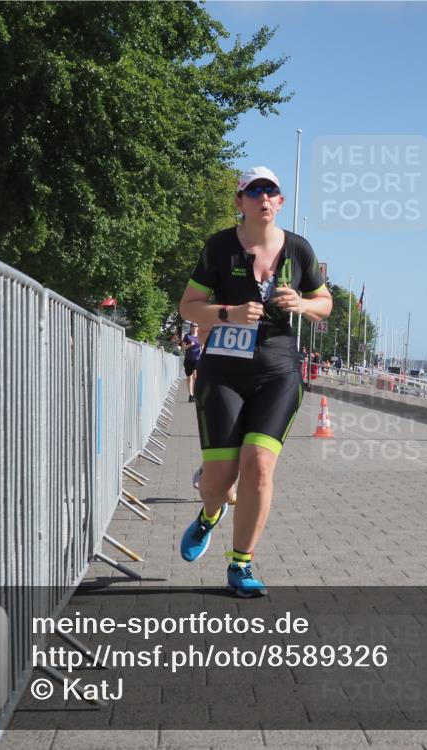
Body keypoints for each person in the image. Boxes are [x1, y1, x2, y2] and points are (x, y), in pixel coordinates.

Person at [178, 166, 332, 597]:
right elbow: (189, 306)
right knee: (218, 481)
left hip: (278, 371)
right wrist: (226, 313)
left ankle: (240, 565)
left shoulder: (298, 250)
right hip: (224, 372)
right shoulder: (220, 247)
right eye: (254, 191)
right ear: (240, 202)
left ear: (280, 202)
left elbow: (326, 303)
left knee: (259, 465)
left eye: (272, 191)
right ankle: (209, 515)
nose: (264, 198)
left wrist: (301, 303)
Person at [182, 322, 203, 401]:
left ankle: (194, 394)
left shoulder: (200, 336)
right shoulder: (187, 336)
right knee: (189, 378)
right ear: (190, 327)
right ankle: (190, 395)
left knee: (196, 377)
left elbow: (203, 347)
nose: (194, 327)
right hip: (188, 359)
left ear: (198, 327)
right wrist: (191, 344)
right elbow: (183, 348)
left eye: (195, 326)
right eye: (192, 326)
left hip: (197, 359)